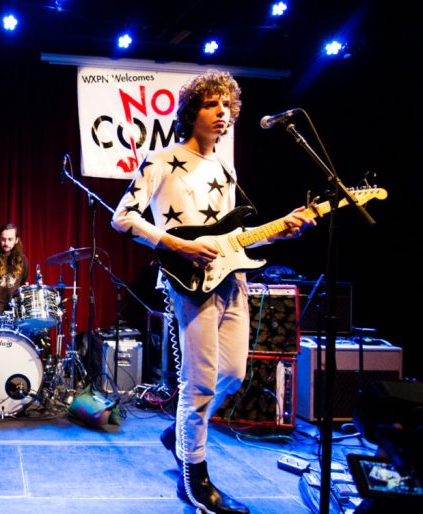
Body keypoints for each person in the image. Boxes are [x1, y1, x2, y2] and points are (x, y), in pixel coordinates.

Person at [111, 70, 315, 514]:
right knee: (199, 381)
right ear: (191, 112)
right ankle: (195, 478)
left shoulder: (227, 168)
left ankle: (179, 433)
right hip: (189, 284)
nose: (222, 113)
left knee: (234, 377)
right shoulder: (162, 160)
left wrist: (279, 233)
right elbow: (122, 217)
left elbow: (233, 236)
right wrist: (180, 244)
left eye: (227, 106)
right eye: (211, 105)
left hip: (232, 280)